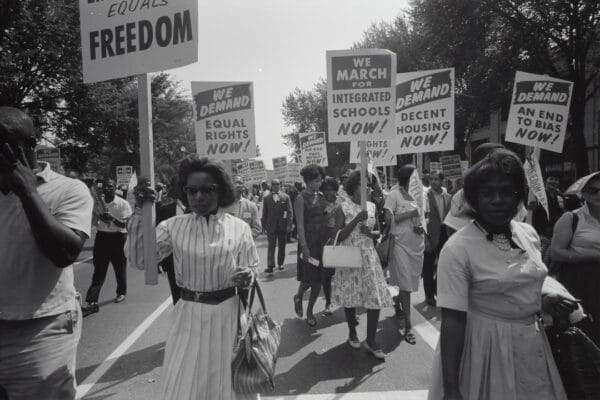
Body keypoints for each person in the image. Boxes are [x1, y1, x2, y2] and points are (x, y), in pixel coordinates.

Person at [429, 149, 577, 400]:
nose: (497, 200)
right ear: (474, 198)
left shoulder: (528, 234)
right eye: (487, 193)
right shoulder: (457, 248)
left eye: (506, 192)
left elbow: (520, 285)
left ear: (518, 196)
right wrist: (451, 388)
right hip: (485, 352)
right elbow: (452, 321)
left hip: (531, 345)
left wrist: (543, 302)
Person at [126, 156, 259, 400]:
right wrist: (139, 211)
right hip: (188, 315)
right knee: (185, 384)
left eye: (207, 190)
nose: (199, 197)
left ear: (221, 191)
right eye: (192, 190)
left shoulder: (239, 228)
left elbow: (251, 267)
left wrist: (247, 275)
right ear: (184, 192)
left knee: (228, 386)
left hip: (229, 316)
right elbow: (141, 260)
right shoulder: (172, 226)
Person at [0, 107, 93, 400]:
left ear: (28, 145)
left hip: (40, 332)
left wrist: (28, 192)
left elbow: (64, 253)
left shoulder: (68, 190)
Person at [331, 171, 392, 359]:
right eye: (362, 184)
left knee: (375, 298)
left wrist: (371, 233)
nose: (366, 187)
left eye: (367, 184)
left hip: (369, 257)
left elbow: (379, 234)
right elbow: (337, 236)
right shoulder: (343, 207)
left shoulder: (372, 206)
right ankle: (352, 331)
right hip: (349, 257)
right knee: (351, 298)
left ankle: (371, 341)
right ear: (353, 187)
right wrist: (357, 220)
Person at [550, 171, 600, 345]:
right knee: (584, 331)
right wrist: (594, 256)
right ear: (583, 194)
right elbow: (556, 252)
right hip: (580, 281)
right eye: (593, 190)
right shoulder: (571, 218)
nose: (599, 194)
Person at [384, 164, 425, 345]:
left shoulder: (421, 195)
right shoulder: (394, 195)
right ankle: (409, 327)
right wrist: (410, 213)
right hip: (399, 245)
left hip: (417, 246)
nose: (418, 180)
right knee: (406, 286)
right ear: (407, 179)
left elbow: (425, 217)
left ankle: (397, 299)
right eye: (415, 177)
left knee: (408, 284)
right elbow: (387, 219)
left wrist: (420, 226)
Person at [82, 178, 132, 313]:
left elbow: (126, 225)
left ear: (115, 187)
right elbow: (94, 222)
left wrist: (112, 219)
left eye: (110, 186)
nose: (107, 189)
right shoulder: (98, 204)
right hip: (102, 238)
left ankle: (121, 292)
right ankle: (92, 301)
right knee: (99, 270)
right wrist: (99, 218)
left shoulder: (123, 204)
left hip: (118, 239)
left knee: (119, 268)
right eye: (105, 187)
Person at [293, 164, 329, 327]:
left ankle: (309, 311)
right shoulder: (300, 198)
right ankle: (299, 295)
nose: (319, 183)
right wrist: (304, 246)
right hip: (308, 244)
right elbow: (299, 225)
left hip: (322, 245)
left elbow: (327, 217)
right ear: (307, 181)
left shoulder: (322, 196)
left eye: (320, 180)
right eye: (316, 180)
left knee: (319, 280)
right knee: (308, 279)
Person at [423, 170, 451, 307]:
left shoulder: (448, 197)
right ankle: (429, 296)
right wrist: (424, 238)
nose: (433, 181)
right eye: (431, 179)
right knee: (428, 267)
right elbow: (422, 218)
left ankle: (436, 288)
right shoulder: (424, 196)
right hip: (430, 235)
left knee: (445, 265)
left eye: (436, 179)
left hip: (445, 233)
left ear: (442, 181)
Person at [321, 176, 343, 315]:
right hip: (326, 240)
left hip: (342, 238)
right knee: (327, 274)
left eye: (332, 190)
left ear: (336, 190)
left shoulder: (343, 201)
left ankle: (347, 305)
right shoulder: (320, 204)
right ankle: (328, 302)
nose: (330, 193)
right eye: (326, 190)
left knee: (343, 273)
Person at [262, 179, 293, 273]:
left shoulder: (285, 197)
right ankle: (270, 265)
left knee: (282, 245)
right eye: (273, 184)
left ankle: (280, 263)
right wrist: (264, 226)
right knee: (271, 245)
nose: (275, 186)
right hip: (271, 225)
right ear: (271, 186)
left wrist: (289, 224)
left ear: (280, 185)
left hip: (282, 225)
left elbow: (290, 212)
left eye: (277, 184)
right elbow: (265, 213)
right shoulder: (267, 198)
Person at [532, 174, 565, 260]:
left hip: (553, 233)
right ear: (545, 181)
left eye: (556, 179)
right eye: (551, 178)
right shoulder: (539, 195)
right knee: (539, 259)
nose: (554, 181)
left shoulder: (559, 196)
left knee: (549, 260)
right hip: (541, 233)